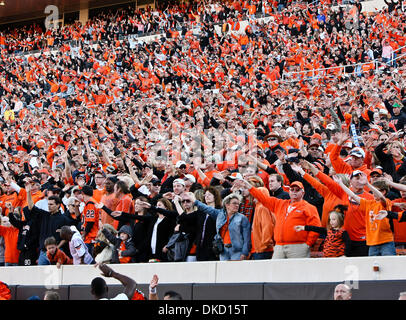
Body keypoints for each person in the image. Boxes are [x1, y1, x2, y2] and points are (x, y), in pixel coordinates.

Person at [239, 179, 321, 259]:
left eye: (297, 190)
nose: (294, 192)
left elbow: (316, 227)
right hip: (279, 246)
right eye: (292, 190)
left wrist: (307, 244)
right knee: (276, 271)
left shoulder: (309, 208)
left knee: (296, 271)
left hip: (298, 246)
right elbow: (263, 198)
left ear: (303, 192)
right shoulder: (280, 204)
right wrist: (249, 187)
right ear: (289, 191)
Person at [334, 173, 396, 256]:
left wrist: (367, 184)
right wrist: (340, 183)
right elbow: (353, 195)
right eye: (372, 191)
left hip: (386, 242)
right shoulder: (368, 203)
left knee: (388, 265)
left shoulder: (386, 202)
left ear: (384, 191)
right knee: (371, 267)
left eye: (375, 191)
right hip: (372, 243)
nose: (373, 194)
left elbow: (381, 197)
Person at [194, 192, 251, 261]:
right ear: (227, 205)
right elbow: (207, 208)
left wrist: (244, 253)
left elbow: (247, 238)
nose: (237, 205)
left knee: (236, 271)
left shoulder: (242, 218)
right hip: (223, 251)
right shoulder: (220, 215)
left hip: (237, 251)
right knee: (223, 271)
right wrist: (195, 201)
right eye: (234, 203)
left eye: (238, 204)